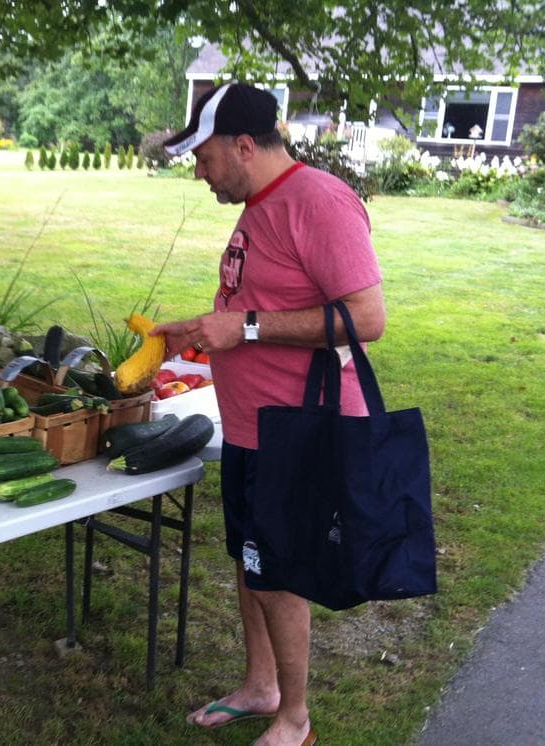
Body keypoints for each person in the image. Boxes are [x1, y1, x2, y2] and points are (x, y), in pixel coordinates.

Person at [152, 82, 386, 746]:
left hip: (298, 429)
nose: (199, 172)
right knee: (251, 559)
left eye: (204, 157)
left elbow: (367, 320)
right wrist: (203, 331)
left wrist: (244, 328)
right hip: (252, 426)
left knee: (279, 573)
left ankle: (297, 720)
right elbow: (255, 303)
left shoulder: (319, 201)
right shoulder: (260, 202)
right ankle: (261, 687)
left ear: (244, 145)